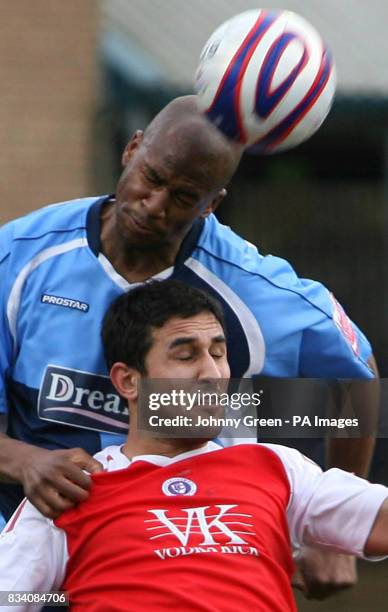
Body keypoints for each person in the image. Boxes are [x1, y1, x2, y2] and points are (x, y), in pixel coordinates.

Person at [0, 95, 377, 595]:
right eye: (152, 178)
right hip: (38, 532)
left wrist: (333, 540)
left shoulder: (258, 292)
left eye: (183, 197)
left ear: (213, 203)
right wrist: (23, 461)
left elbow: (355, 380)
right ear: (132, 150)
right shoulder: (20, 258)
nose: (154, 206)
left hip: (195, 557)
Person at [0, 280, 386, 612]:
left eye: (218, 353)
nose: (212, 374)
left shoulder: (276, 467)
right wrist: (69, 594)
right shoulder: (70, 488)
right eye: (186, 356)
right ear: (129, 382)